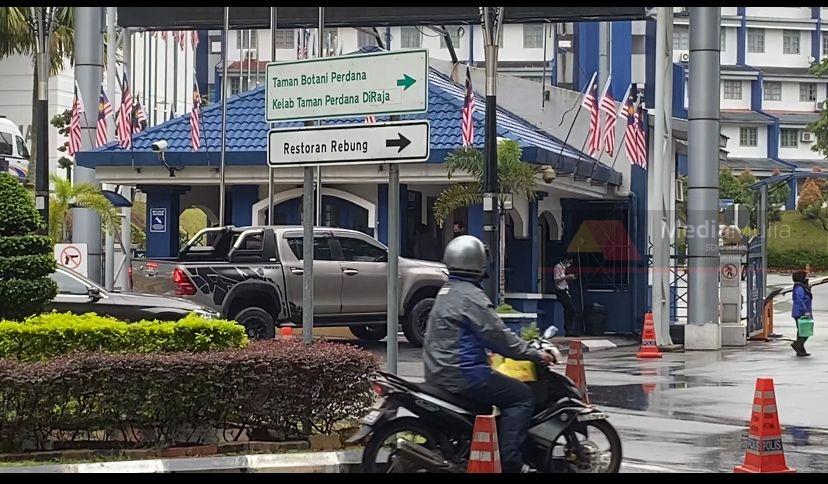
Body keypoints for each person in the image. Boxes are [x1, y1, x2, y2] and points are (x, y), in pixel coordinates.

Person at [423, 235, 554, 474]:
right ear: (478, 263)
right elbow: (500, 337)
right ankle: (511, 460)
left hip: (437, 372)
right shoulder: (472, 297)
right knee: (521, 397)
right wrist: (534, 354)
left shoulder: (446, 292)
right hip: (464, 375)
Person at [553, 257, 577, 335]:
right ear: (565, 260)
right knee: (570, 309)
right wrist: (567, 277)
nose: (569, 264)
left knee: (571, 310)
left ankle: (570, 329)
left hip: (565, 290)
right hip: (560, 291)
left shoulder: (564, 268)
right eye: (569, 262)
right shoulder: (558, 267)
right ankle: (568, 330)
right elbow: (556, 280)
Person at [791, 270, 813, 357]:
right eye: (805, 277)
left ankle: (800, 349)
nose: (807, 279)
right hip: (801, 312)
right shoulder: (799, 288)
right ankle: (797, 344)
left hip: (802, 311)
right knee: (805, 331)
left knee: (802, 331)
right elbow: (800, 300)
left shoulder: (803, 286)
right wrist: (805, 311)